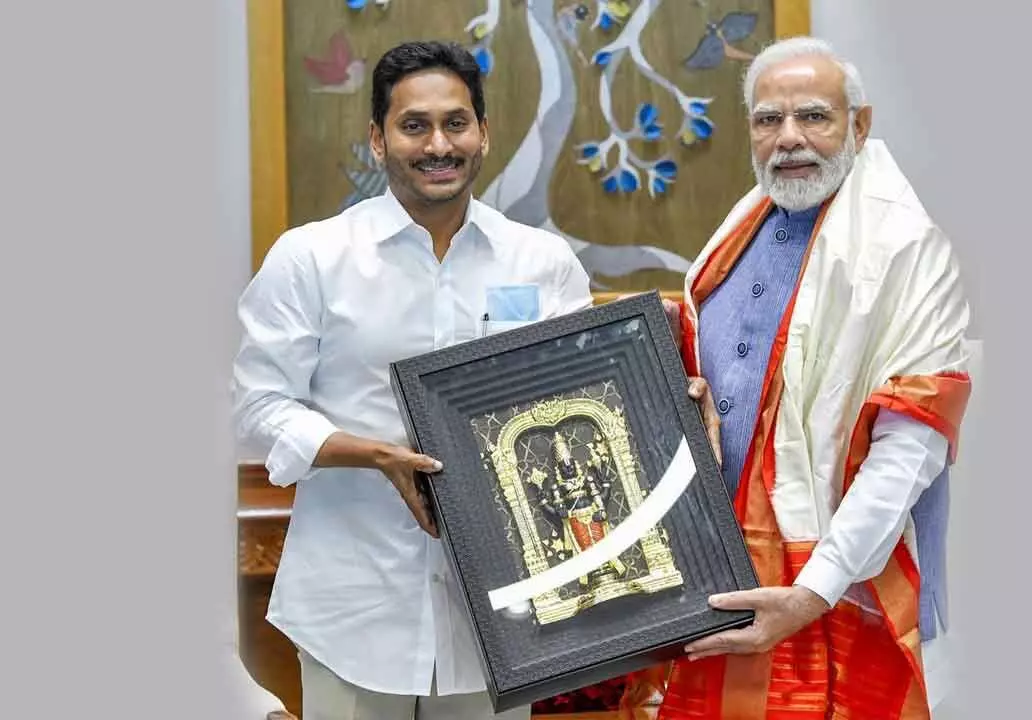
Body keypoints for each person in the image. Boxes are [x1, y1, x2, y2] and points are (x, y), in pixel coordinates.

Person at [232, 40, 719, 720]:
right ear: (378, 140)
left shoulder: (540, 260)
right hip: (352, 600)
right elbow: (258, 406)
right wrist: (375, 456)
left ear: (483, 133)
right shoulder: (311, 257)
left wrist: (661, 408)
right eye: (414, 125)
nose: (439, 144)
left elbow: (584, 400)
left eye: (456, 123)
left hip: (501, 612)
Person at [646, 36, 975, 719]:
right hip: (721, 568)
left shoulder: (907, 250)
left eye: (814, 116)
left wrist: (812, 592)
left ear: (859, 124)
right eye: (768, 120)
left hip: (828, 581)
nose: (789, 138)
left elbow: (909, 447)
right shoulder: (744, 223)